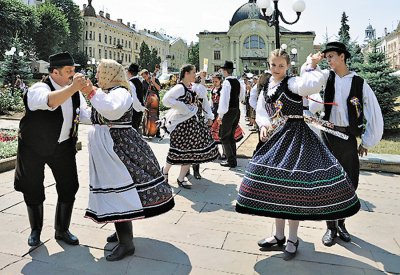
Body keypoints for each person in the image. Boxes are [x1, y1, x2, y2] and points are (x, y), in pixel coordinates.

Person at [236, 49, 361, 261]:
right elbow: (260, 110)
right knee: (275, 189)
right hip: (275, 137)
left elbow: (312, 85)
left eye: (281, 66)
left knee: (292, 189)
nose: (276, 70)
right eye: (273, 65)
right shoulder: (267, 84)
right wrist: (264, 125)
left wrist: (311, 65)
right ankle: (278, 235)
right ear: (269, 64)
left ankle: (292, 238)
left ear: (288, 67)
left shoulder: (293, 83)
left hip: (296, 138)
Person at [82, 59, 175, 261]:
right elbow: (97, 114)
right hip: (110, 148)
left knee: (120, 191)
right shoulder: (108, 92)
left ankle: (127, 243)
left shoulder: (120, 92)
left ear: (109, 74)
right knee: (116, 191)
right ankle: (120, 231)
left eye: (99, 72)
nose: (96, 76)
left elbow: (111, 110)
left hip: (120, 148)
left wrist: (90, 91)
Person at [14, 52, 91, 247]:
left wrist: (107, 115)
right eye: (69, 71)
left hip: (63, 146)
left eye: (74, 70)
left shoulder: (73, 91)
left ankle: (62, 230)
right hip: (34, 147)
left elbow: (85, 114)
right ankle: (35, 231)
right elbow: (50, 102)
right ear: (54, 72)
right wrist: (74, 87)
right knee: (32, 188)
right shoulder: (39, 88)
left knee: (69, 186)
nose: (73, 74)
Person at [318, 42, 383, 247]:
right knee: (328, 182)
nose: (328, 60)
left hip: (347, 138)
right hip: (328, 135)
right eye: (326, 57)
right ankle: (330, 227)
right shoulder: (325, 78)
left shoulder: (359, 82)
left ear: (343, 56)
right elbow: (305, 88)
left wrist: (367, 140)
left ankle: (342, 224)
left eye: (331, 56)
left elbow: (372, 110)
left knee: (348, 182)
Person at [161, 64, 219, 189]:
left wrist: (202, 78)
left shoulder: (191, 87)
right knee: (176, 151)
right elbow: (166, 100)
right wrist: (182, 107)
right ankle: (165, 172)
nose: (195, 74)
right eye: (193, 72)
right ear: (186, 73)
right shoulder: (180, 88)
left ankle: (181, 179)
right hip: (182, 126)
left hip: (192, 125)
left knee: (190, 153)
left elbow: (202, 95)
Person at [216, 61, 245, 168]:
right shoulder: (238, 82)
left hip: (228, 112)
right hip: (236, 110)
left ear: (225, 71)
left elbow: (224, 100)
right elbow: (242, 97)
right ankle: (233, 159)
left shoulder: (227, 82)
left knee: (224, 137)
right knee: (231, 136)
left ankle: (231, 160)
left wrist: (220, 115)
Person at [141, 69, 162, 138]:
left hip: (155, 101)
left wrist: (153, 82)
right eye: (143, 76)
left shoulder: (155, 80)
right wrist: (143, 101)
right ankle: (147, 131)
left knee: (156, 116)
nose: (144, 77)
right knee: (147, 116)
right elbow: (143, 93)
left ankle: (158, 132)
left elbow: (159, 89)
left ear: (148, 74)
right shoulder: (143, 82)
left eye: (145, 76)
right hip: (148, 100)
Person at [126, 63, 146, 132]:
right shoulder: (139, 82)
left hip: (135, 111)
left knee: (133, 133)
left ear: (129, 73)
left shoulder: (130, 83)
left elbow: (134, 100)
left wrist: (140, 108)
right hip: (139, 110)